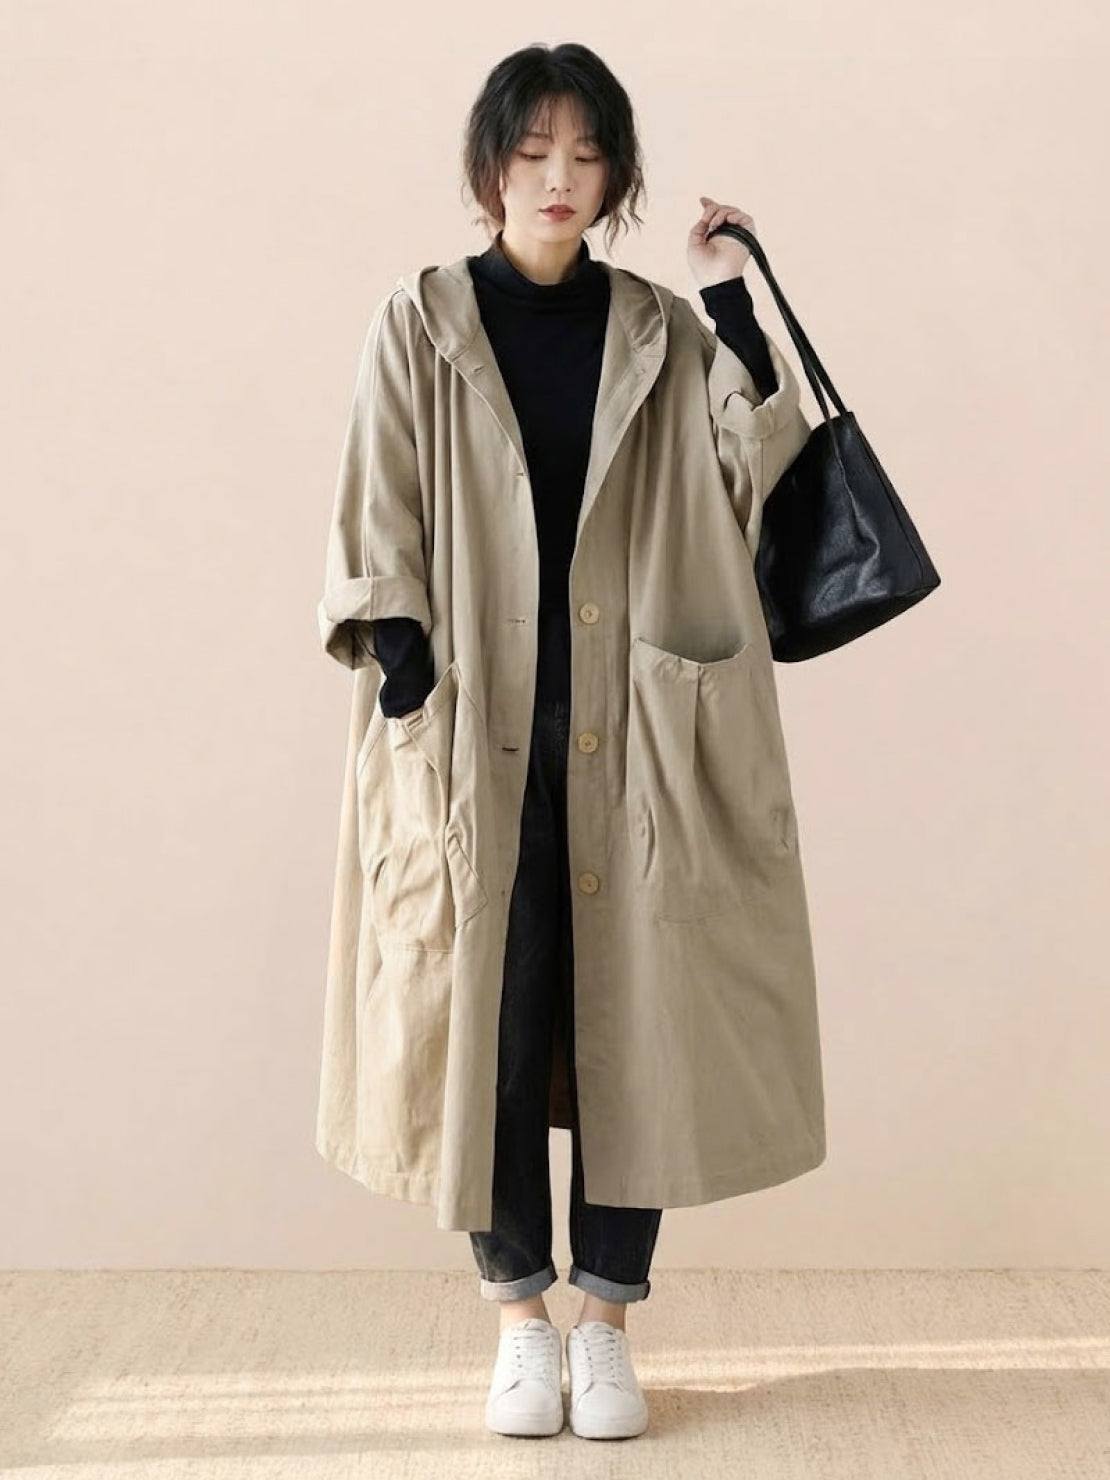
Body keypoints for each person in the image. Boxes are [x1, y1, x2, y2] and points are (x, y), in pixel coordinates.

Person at [365, 44, 782, 1440]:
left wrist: (732, 296)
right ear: (490, 165)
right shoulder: (420, 323)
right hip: (474, 729)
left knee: (634, 1025)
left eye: (587, 154)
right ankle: (520, 1325)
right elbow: (375, 515)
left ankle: (606, 1325)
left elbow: (752, 471)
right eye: (534, 149)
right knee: (488, 1022)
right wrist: (411, 693)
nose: (559, 177)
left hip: (638, 729)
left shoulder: (659, 329)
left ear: (616, 176)